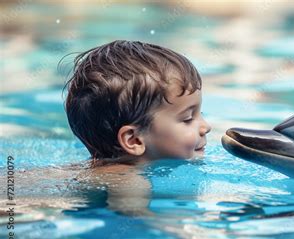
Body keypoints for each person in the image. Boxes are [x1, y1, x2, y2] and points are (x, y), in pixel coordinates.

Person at [65, 40, 212, 167]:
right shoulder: (128, 183)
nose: (206, 127)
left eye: (201, 113)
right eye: (187, 119)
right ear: (134, 140)